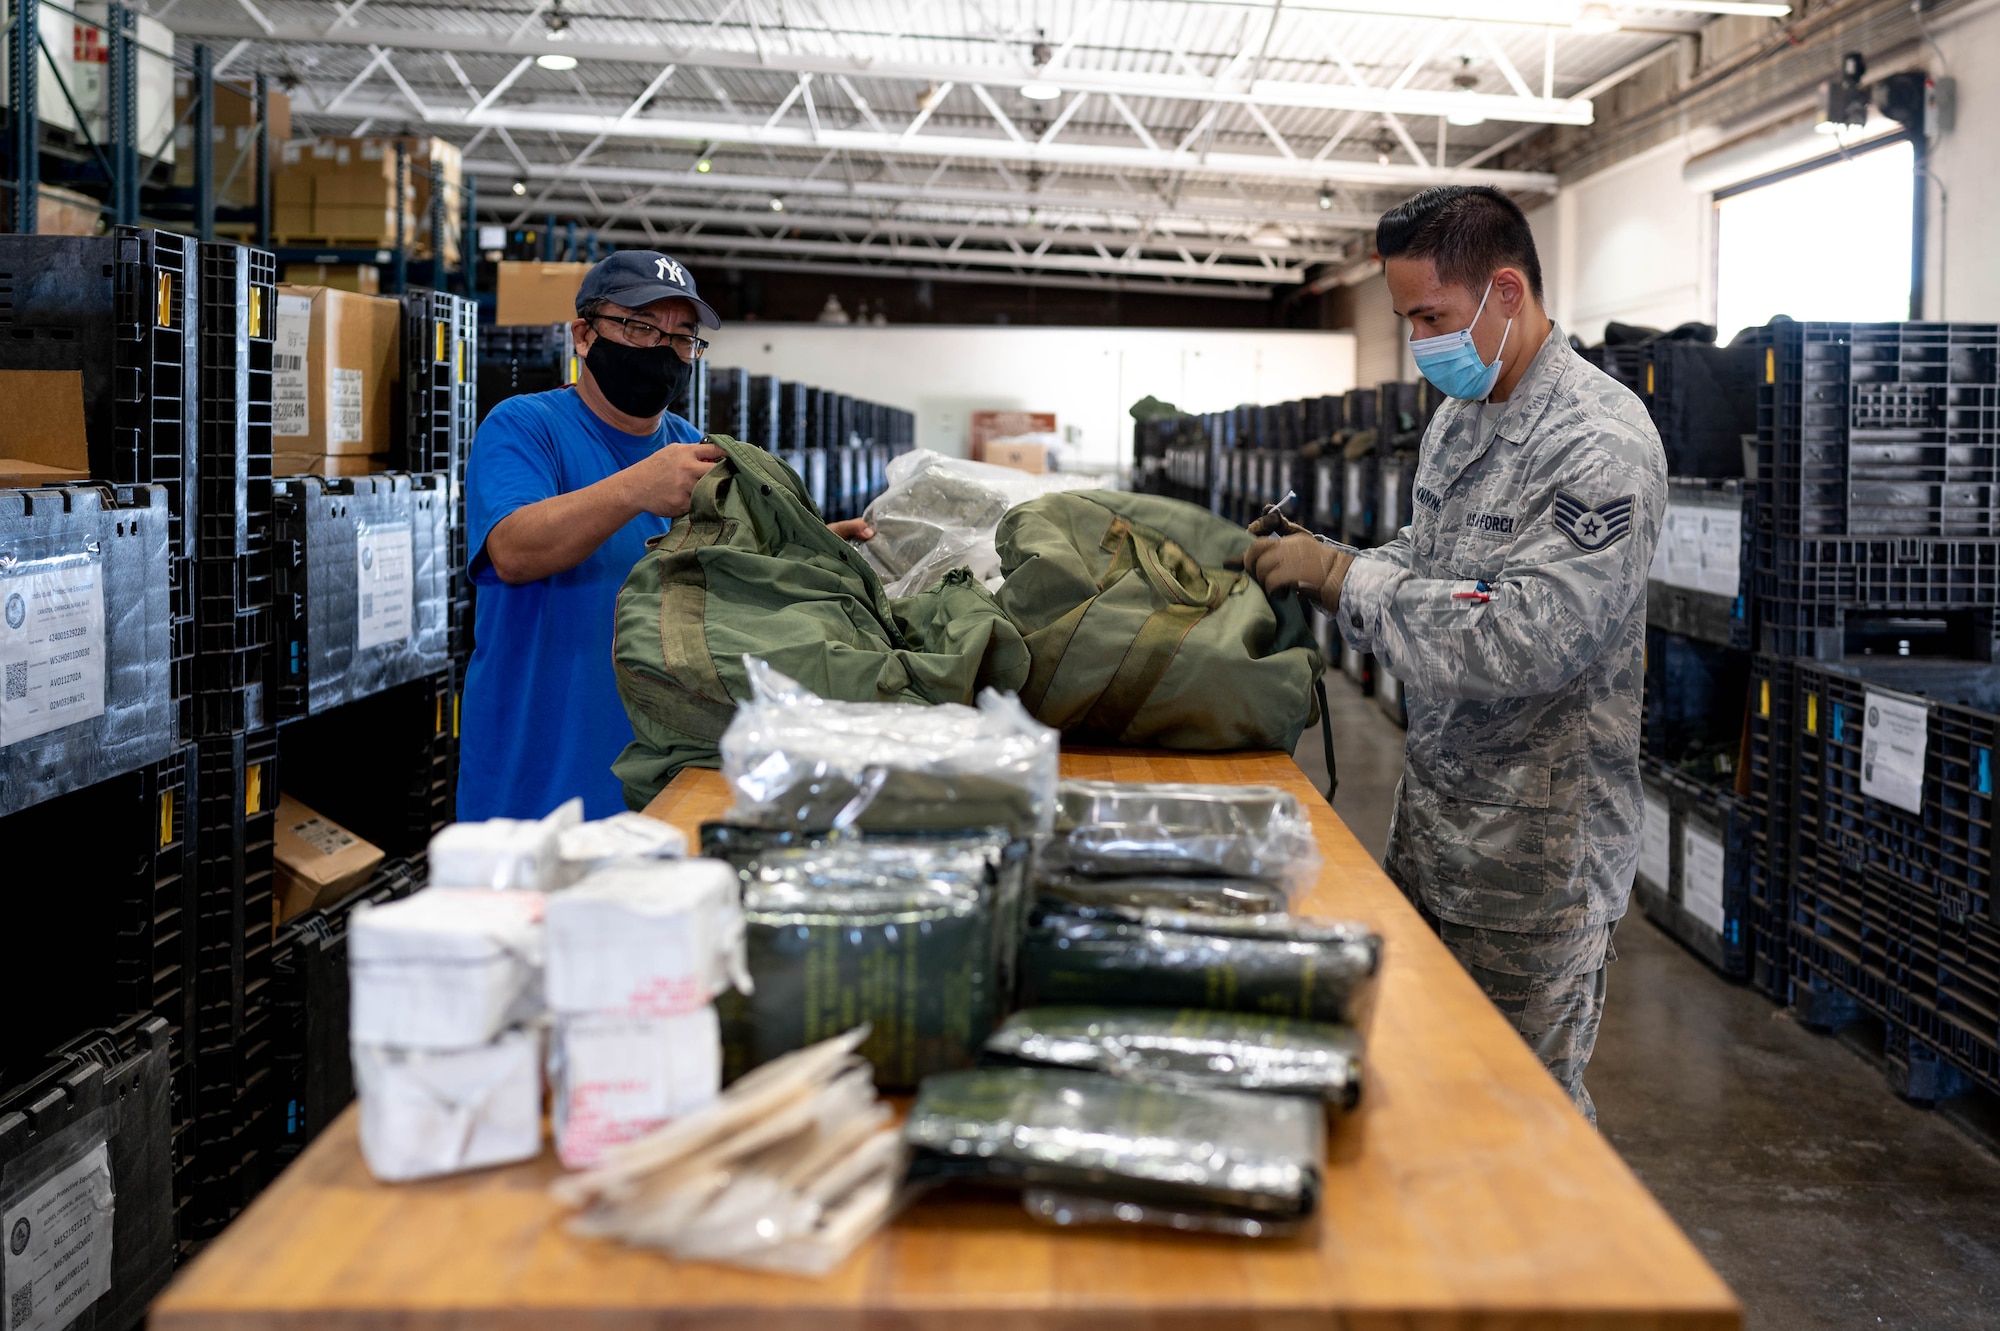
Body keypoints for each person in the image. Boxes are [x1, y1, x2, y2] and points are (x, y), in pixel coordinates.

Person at [1242, 186, 1666, 1124]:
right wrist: (1334, 561)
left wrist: (1348, 584)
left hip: (1534, 865)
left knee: (1523, 1125)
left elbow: (1527, 637)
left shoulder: (1599, 444)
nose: (1420, 342)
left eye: (1431, 317)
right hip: (1436, 829)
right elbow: (1429, 563)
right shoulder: (1458, 418)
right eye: (1407, 321)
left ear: (1504, 292)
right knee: (1427, 1096)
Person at [460, 250, 872, 821]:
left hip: (660, 787)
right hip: (535, 789)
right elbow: (511, 550)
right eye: (639, 327)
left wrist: (813, 549)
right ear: (584, 335)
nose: (664, 350)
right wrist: (636, 488)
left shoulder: (690, 446)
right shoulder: (524, 427)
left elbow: (728, 579)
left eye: (683, 337)